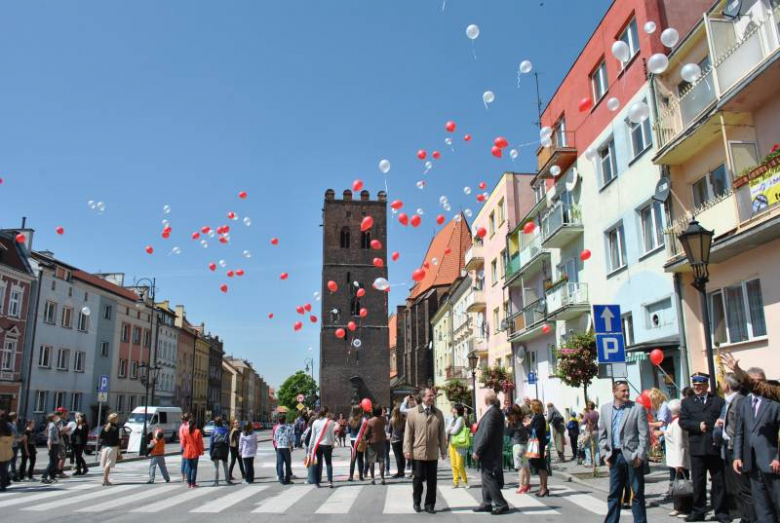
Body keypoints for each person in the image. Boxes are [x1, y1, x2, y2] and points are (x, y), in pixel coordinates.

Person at [598, 380, 649, 523]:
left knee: (637, 493)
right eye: (623, 391)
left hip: (632, 456)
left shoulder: (637, 408)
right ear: (614, 392)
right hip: (614, 456)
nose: (626, 393)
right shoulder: (606, 409)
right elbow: (602, 434)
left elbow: (644, 435)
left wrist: (640, 455)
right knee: (614, 494)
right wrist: (604, 454)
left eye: (627, 390)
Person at [679, 372, 728, 523]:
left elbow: (725, 420)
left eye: (700, 385)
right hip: (697, 449)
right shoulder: (687, 403)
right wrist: (697, 426)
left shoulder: (718, 401)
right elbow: (683, 422)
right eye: (695, 385)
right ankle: (698, 512)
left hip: (714, 447)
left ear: (707, 385)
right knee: (699, 483)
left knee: (719, 482)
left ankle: (721, 513)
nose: (697, 388)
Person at [733, 366, 780, 522]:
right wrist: (737, 456)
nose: (755, 386)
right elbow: (739, 431)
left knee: (777, 501)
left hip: (772, 462)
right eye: (752, 382)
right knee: (761, 505)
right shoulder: (744, 403)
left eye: (758, 382)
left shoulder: (774, 402)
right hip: (752, 461)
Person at [715, 373, 754, 523]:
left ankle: (749, 517)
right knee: (736, 487)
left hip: (736, 448)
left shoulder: (739, 401)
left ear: (727, 385)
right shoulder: (730, 401)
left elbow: (740, 428)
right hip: (728, 447)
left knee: (743, 487)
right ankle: (745, 516)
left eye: (722, 382)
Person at [403, 387, 447, 514]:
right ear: (423, 398)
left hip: (432, 453)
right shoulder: (413, 413)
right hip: (418, 453)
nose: (432, 398)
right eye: (430, 396)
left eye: (432, 396)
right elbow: (408, 434)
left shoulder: (438, 413)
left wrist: (443, 450)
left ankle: (430, 505)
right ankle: (416, 502)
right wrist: (407, 450)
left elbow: (441, 433)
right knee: (417, 480)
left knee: (432, 482)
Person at [472, 391, 510, 515]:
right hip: (491, 450)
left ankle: (501, 504)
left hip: (489, 451)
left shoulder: (492, 413)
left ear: (486, 401)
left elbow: (487, 434)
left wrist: (478, 451)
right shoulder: (495, 412)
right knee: (485, 476)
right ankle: (486, 503)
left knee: (488, 476)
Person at [664, 399, 691, 518]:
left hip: (678, 460)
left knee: (682, 485)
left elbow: (679, 443)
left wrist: (679, 463)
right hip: (673, 459)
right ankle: (678, 507)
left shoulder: (677, 423)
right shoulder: (673, 422)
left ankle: (685, 508)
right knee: (675, 485)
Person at [310, 407, 336, 488]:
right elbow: (332, 434)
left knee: (317, 464)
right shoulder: (330, 422)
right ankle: (329, 481)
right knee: (328, 463)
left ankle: (316, 482)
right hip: (327, 444)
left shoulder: (315, 422)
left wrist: (311, 446)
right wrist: (333, 443)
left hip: (317, 445)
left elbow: (313, 436)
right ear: (326, 413)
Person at [528, 399, 549, 497]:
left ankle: (544, 488)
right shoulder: (537, 417)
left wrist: (528, 427)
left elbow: (537, 430)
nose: (530, 407)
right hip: (537, 444)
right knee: (539, 467)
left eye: (531, 405)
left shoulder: (539, 417)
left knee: (541, 466)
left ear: (535, 407)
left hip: (539, 445)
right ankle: (542, 486)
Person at [507, 405, 531, 494]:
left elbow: (508, 433)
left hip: (517, 447)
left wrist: (507, 425)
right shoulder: (524, 420)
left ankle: (521, 486)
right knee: (526, 465)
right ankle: (527, 484)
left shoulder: (512, 422)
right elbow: (529, 430)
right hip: (525, 445)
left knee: (520, 467)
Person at [445, 404, 469, 488]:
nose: (452, 409)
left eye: (454, 408)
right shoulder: (453, 419)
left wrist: (450, 429)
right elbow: (446, 430)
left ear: (457, 410)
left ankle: (465, 481)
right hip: (452, 443)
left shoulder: (460, 419)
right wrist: (450, 429)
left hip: (459, 444)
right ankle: (455, 482)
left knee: (459, 464)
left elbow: (454, 431)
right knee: (453, 464)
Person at [365, 406, 387, 485]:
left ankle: (372, 478)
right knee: (381, 460)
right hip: (381, 440)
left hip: (372, 441)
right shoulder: (383, 419)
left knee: (371, 460)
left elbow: (366, 432)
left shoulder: (370, 421)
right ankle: (382, 478)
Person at [98, 412, 121, 486]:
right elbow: (117, 440)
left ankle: (105, 479)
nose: (118, 419)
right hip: (112, 447)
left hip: (105, 447)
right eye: (117, 418)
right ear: (115, 419)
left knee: (105, 465)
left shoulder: (105, 426)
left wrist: (102, 446)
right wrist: (119, 452)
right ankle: (105, 480)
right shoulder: (116, 428)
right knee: (108, 465)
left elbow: (101, 437)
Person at [181, 420, 204, 488]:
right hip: (195, 450)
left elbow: (183, 443)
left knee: (188, 467)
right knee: (194, 468)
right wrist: (201, 451)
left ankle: (189, 483)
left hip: (187, 450)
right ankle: (193, 483)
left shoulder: (185, 432)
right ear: (195, 424)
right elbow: (200, 443)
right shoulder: (197, 431)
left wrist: (186, 448)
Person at [273, 413, 294, 485]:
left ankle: (281, 479)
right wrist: (291, 446)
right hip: (286, 447)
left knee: (280, 463)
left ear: (279, 420)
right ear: (285, 420)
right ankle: (287, 479)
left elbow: (275, 438)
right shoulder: (288, 427)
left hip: (279, 447)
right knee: (288, 464)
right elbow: (291, 438)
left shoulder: (277, 428)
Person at [41, 411, 61, 484]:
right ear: (53, 418)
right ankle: (44, 477)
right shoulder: (52, 425)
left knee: (55, 461)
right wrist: (50, 448)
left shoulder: (53, 424)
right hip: (53, 445)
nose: (57, 417)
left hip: (55, 444)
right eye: (56, 416)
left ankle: (52, 476)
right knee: (53, 462)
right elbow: (50, 437)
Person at [348, 405, 367, 481]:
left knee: (353, 458)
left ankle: (351, 476)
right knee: (360, 458)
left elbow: (349, 430)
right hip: (360, 439)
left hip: (352, 440)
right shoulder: (363, 419)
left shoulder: (350, 419)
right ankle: (361, 476)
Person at [210, 417, 231, 485]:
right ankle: (227, 479)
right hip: (224, 448)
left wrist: (210, 452)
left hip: (216, 449)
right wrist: (227, 450)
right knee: (225, 465)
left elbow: (211, 442)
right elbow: (228, 441)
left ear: (215, 423)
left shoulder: (214, 431)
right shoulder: (226, 430)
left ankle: (216, 481)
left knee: (216, 466)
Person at [389, 406, 406, 478]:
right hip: (401, 439)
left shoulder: (391, 420)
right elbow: (404, 429)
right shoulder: (402, 419)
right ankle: (402, 471)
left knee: (397, 456)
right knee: (402, 456)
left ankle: (399, 472)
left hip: (394, 440)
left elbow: (389, 430)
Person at [583, 401, 600, 466]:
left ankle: (589, 462)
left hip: (589, 431)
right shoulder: (597, 413)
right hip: (596, 430)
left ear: (589, 406)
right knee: (596, 447)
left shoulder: (587, 413)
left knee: (587, 446)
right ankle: (597, 462)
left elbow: (584, 422)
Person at [0, 411, 12, 491]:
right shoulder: (6, 424)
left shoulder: (3, 424)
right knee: (3, 468)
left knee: (3, 468)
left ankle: (4, 483)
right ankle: (4, 483)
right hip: (5, 448)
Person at [178, 413, 191, 483]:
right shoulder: (188, 426)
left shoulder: (181, 426)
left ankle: (183, 476)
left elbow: (180, 436)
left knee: (183, 460)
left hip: (182, 445)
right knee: (187, 461)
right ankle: (186, 476)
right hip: (187, 445)